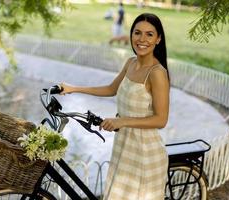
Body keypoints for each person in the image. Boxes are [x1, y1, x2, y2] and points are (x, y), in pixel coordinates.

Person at [60, 13, 170, 200]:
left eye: (149, 34)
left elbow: (161, 120)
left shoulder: (157, 73)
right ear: (131, 35)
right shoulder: (131, 62)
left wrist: (121, 121)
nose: (142, 39)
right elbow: (111, 89)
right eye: (137, 33)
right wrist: (74, 88)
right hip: (124, 146)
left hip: (145, 153)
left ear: (158, 39)